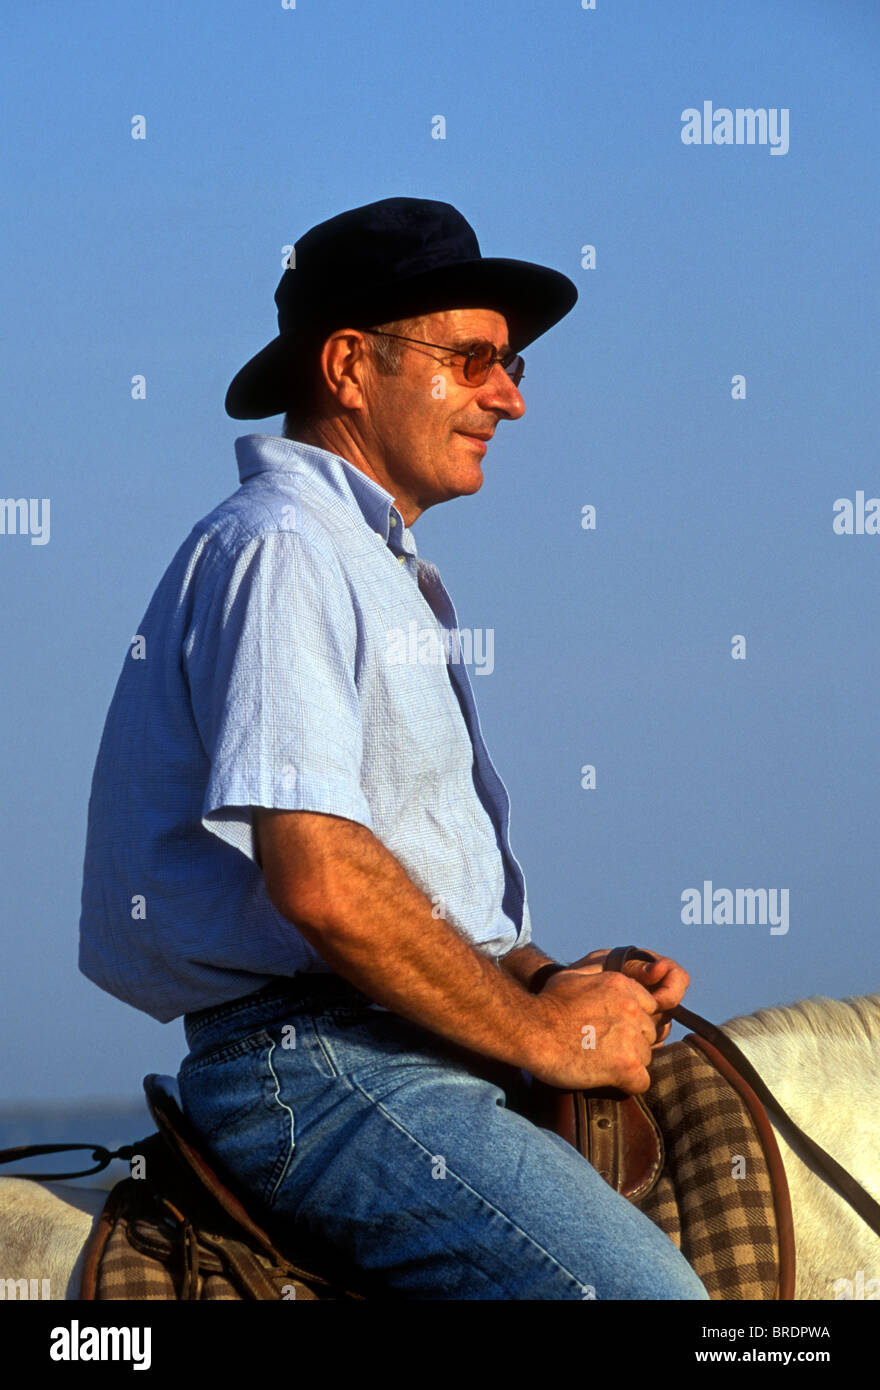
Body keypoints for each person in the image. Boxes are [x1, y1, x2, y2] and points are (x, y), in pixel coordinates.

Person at [78, 196, 708, 1300]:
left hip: (376, 1040)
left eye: (509, 365)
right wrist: (542, 1036)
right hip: (313, 1065)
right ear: (349, 366)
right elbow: (320, 880)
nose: (508, 397)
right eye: (471, 360)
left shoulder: (371, 567)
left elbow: (396, 884)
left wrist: (548, 978)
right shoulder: (286, 550)